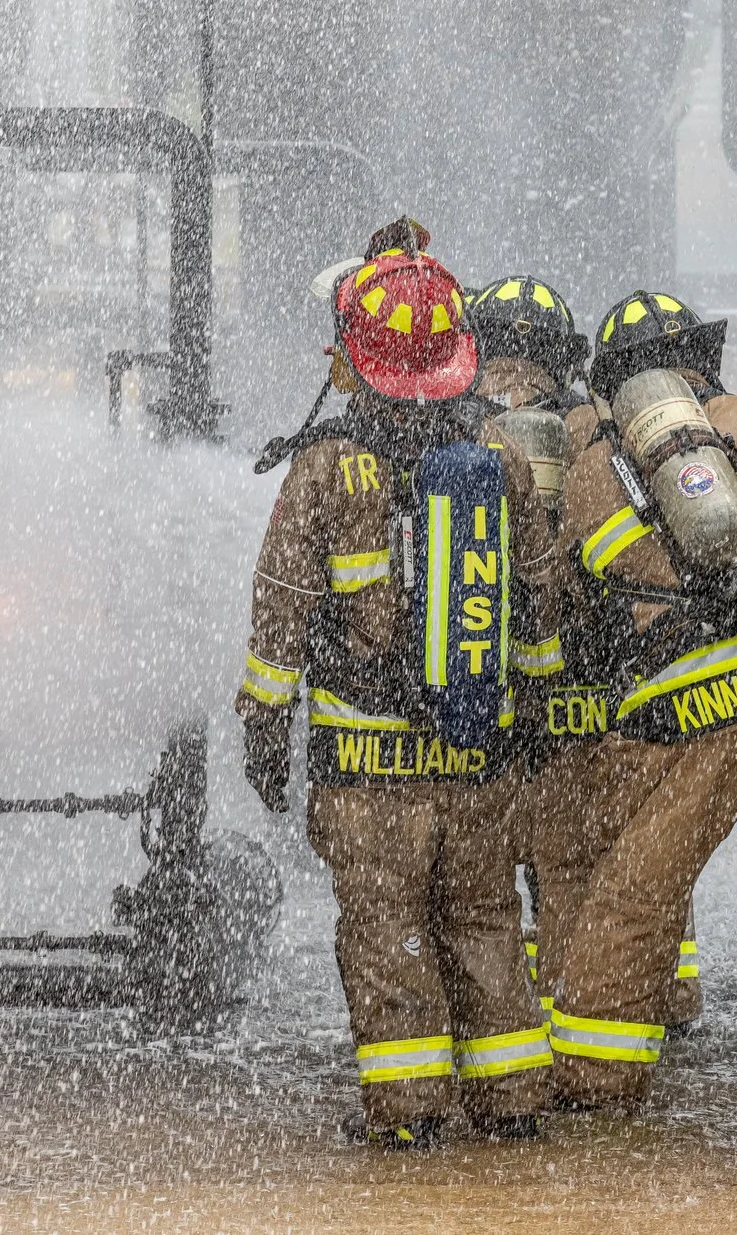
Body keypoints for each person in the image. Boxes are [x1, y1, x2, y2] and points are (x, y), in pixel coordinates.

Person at [236, 222, 559, 1149]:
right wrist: (526, 714)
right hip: (477, 755)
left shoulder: (327, 465)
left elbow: (283, 609)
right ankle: (512, 1103)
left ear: (356, 362)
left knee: (389, 938)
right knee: (486, 923)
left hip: (369, 768)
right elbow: (538, 596)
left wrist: (265, 721)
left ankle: (411, 1114)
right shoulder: (496, 455)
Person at [543, 291, 737, 1110]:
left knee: (634, 890)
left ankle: (597, 1074)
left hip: (687, 711)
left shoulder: (597, 458)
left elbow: (576, 586)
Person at [468, 275, 705, 1033]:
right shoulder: (602, 433)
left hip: (527, 694)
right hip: (618, 689)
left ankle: (572, 1019)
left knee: (555, 866)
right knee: (644, 860)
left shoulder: (466, 431)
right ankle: (666, 998)